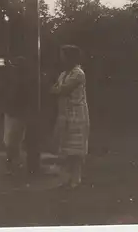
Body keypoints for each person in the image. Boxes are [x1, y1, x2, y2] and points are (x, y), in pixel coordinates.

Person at [50, 45, 90, 188]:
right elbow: (54, 89)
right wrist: (57, 90)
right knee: (66, 147)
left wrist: (58, 90)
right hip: (65, 113)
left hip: (77, 114)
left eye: (63, 56)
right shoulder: (63, 74)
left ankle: (76, 177)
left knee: (76, 148)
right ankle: (68, 178)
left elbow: (63, 89)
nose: (61, 59)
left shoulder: (78, 73)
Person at [2, 56, 29, 175]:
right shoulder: (13, 81)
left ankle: (13, 164)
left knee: (14, 140)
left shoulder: (21, 82)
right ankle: (12, 164)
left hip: (17, 113)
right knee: (11, 140)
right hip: (12, 112)